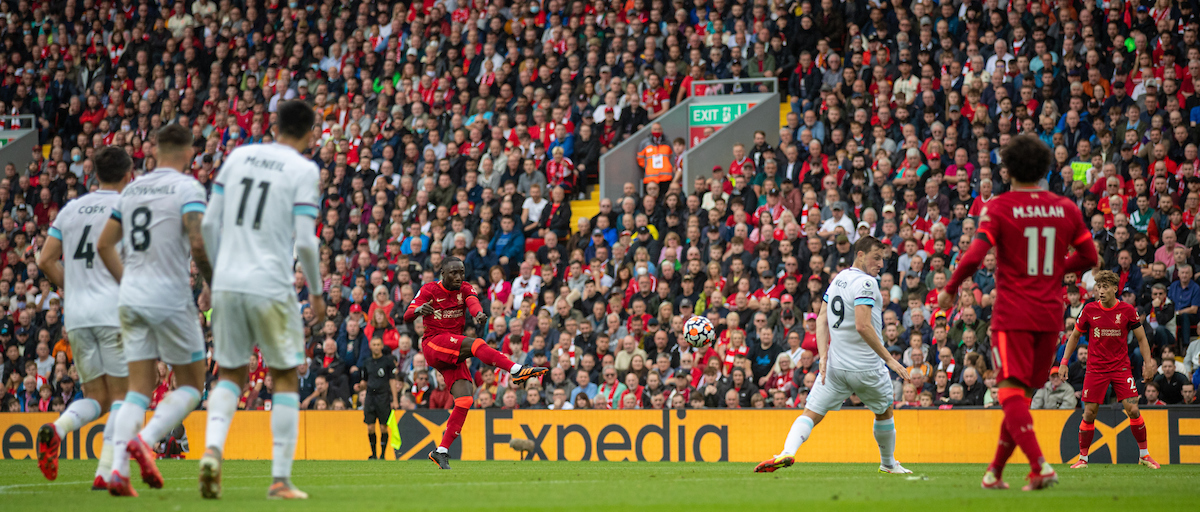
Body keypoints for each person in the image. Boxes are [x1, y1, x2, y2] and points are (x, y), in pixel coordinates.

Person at [940, 134, 1098, 491]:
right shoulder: (1066, 208)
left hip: (1012, 314)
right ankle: (994, 472)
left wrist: (950, 290)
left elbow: (974, 256)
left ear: (1007, 169)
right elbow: (1090, 258)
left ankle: (1039, 466)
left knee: (1009, 392)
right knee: (1020, 398)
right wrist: (1056, 268)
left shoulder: (998, 207)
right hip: (1049, 316)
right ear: (1045, 168)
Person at [197, 101, 324, 499]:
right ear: (310, 133)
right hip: (270, 282)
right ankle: (281, 480)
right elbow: (304, 240)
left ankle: (213, 449)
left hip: (228, 283)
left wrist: (212, 279)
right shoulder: (304, 170)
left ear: (274, 125)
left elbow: (206, 223)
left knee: (230, 374)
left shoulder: (238, 156)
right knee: (284, 375)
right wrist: (317, 293)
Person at [96, 124, 214, 497]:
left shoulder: (131, 190)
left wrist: (128, 281)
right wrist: (212, 284)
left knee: (138, 390)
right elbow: (197, 242)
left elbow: (104, 245)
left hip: (131, 297)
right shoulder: (188, 188)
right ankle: (144, 440)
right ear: (187, 151)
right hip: (171, 296)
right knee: (193, 386)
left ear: (156, 149)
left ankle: (118, 472)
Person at [755, 237, 912, 475]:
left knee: (811, 413)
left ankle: (787, 451)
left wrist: (824, 355)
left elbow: (821, 318)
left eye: (883, 259)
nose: (881, 264)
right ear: (860, 255)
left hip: (836, 367)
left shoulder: (839, 278)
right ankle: (888, 463)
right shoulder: (867, 284)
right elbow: (863, 326)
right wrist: (889, 359)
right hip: (866, 367)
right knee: (884, 411)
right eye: (876, 258)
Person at [34, 147, 133, 488]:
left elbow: (46, 259)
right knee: (125, 395)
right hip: (112, 310)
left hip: (77, 315)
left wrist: (73, 287)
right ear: (127, 175)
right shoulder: (125, 207)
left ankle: (58, 428)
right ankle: (104, 472)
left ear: (94, 174)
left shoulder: (71, 209)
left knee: (99, 398)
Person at [403, 257, 548, 469]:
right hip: (434, 344)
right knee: (476, 344)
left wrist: (478, 314)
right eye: (453, 273)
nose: (459, 277)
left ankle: (440, 450)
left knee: (465, 400)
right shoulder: (429, 290)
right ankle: (516, 370)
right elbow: (407, 314)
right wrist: (418, 310)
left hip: (453, 349)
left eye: (461, 272)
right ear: (442, 273)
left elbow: (473, 303)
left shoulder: (465, 288)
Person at [1059, 270, 1159, 469]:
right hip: (1095, 369)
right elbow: (1074, 337)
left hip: (1121, 368)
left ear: (1115, 289)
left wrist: (1148, 364)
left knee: (1133, 409)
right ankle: (1083, 459)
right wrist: (1063, 362)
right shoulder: (1089, 309)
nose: (1100, 291)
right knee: (1089, 414)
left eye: (1105, 287)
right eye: (1098, 287)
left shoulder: (1128, 310)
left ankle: (1144, 455)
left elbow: (1142, 339)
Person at [355, 337, 399, 459]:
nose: (376, 346)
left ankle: (383, 455)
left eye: (378, 344)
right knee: (370, 427)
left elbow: (392, 380)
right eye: (373, 344)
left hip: (383, 396)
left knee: (383, 426)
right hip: (370, 396)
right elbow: (364, 380)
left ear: (381, 346)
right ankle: (373, 454)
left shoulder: (387, 361)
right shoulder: (367, 362)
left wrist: (394, 399)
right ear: (370, 346)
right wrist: (361, 385)